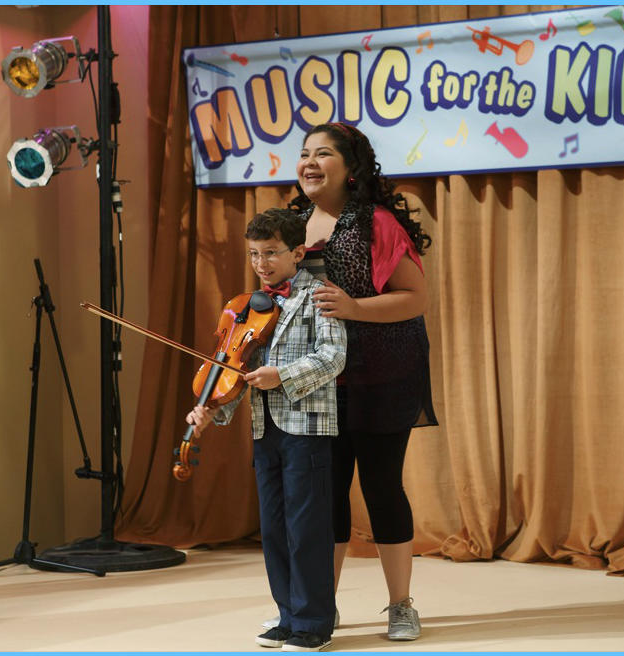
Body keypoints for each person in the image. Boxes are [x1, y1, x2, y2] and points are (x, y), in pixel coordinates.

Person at [287, 122, 437, 641]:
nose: (309, 162)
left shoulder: (376, 223)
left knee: (381, 487)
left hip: (383, 372)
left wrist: (353, 308)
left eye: (323, 154)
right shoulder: (292, 225)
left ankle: (401, 606)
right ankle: (319, 608)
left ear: (351, 168)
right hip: (318, 378)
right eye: (304, 153)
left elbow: (415, 298)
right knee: (324, 494)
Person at [186, 208, 346, 652]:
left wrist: (283, 376)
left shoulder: (320, 295)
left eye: (271, 253)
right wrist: (211, 411)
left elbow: (333, 356)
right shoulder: (247, 307)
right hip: (264, 429)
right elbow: (234, 370)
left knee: (306, 526)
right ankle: (288, 614)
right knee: (273, 527)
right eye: (254, 254)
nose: (261, 263)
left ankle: (313, 623)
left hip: (306, 427)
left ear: (297, 253)